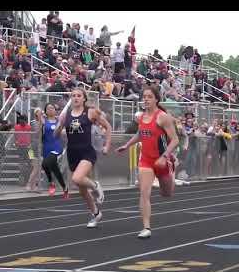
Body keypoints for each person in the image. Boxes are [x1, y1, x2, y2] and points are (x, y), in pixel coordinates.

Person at [116, 86, 179, 239]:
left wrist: (164, 156)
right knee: (144, 193)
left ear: (156, 99)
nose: (146, 99)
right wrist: (127, 145)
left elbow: (175, 140)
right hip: (146, 160)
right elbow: (140, 133)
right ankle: (146, 227)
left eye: (149, 97)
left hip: (162, 160)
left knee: (167, 193)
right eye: (144, 96)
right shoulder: (141, 117)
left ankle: (173, 168)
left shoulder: (163, 116)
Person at [55, 88, 112, 228]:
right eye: (73, 96)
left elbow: (108, 127)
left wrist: (107, 146)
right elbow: (56, 135)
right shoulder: (66, 115)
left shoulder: (90, 112)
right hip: (72, 153)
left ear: (84, 98)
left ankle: (96, 185)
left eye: (79, 96)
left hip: (87, 151)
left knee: (77, 178)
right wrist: (57, 127)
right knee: (81, 189)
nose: (76, 98)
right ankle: (96, 213)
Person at [41, 104, 69, 197]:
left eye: (52, 108)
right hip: (46, 147)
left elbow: (63, 132)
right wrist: (41, 122)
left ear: (55, 110)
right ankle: (64, 187)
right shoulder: (43, 121)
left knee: (45, 164)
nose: (50, 110)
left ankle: (51, 182)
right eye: (48, 108)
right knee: (55, 169)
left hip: (56, 146)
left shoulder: (59, 121)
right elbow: (38, 133)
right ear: (45, 111)